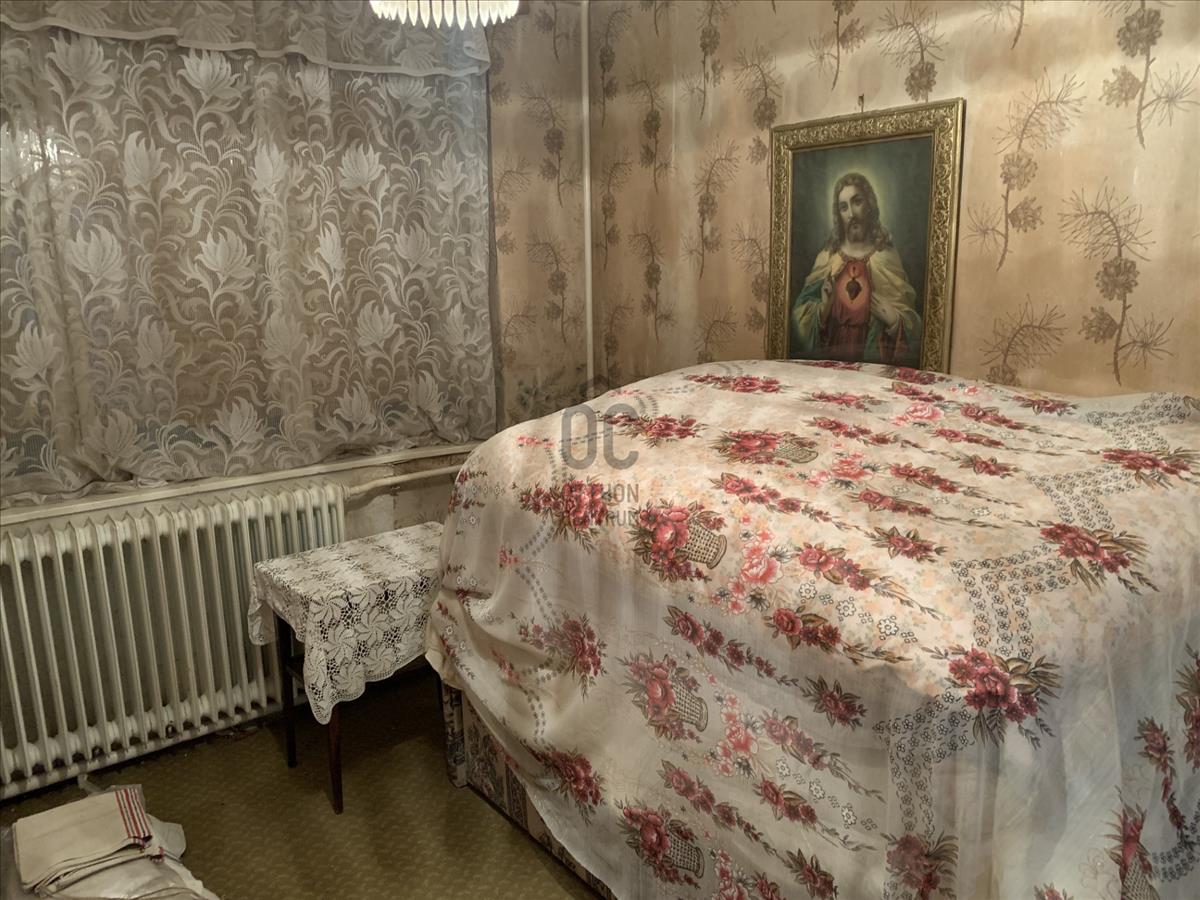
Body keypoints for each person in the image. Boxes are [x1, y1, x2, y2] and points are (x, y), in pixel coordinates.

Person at [790, 172, 922, 365]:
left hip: (873, 365)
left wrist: (895, 320)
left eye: (857, 202)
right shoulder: (827, 257)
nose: (851, 214)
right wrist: (823, 309)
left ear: (869, 205)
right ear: (839, 215)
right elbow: (799, 319)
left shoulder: (886, 256)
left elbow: (914, 327)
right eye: (843, 207)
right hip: (830, 365)